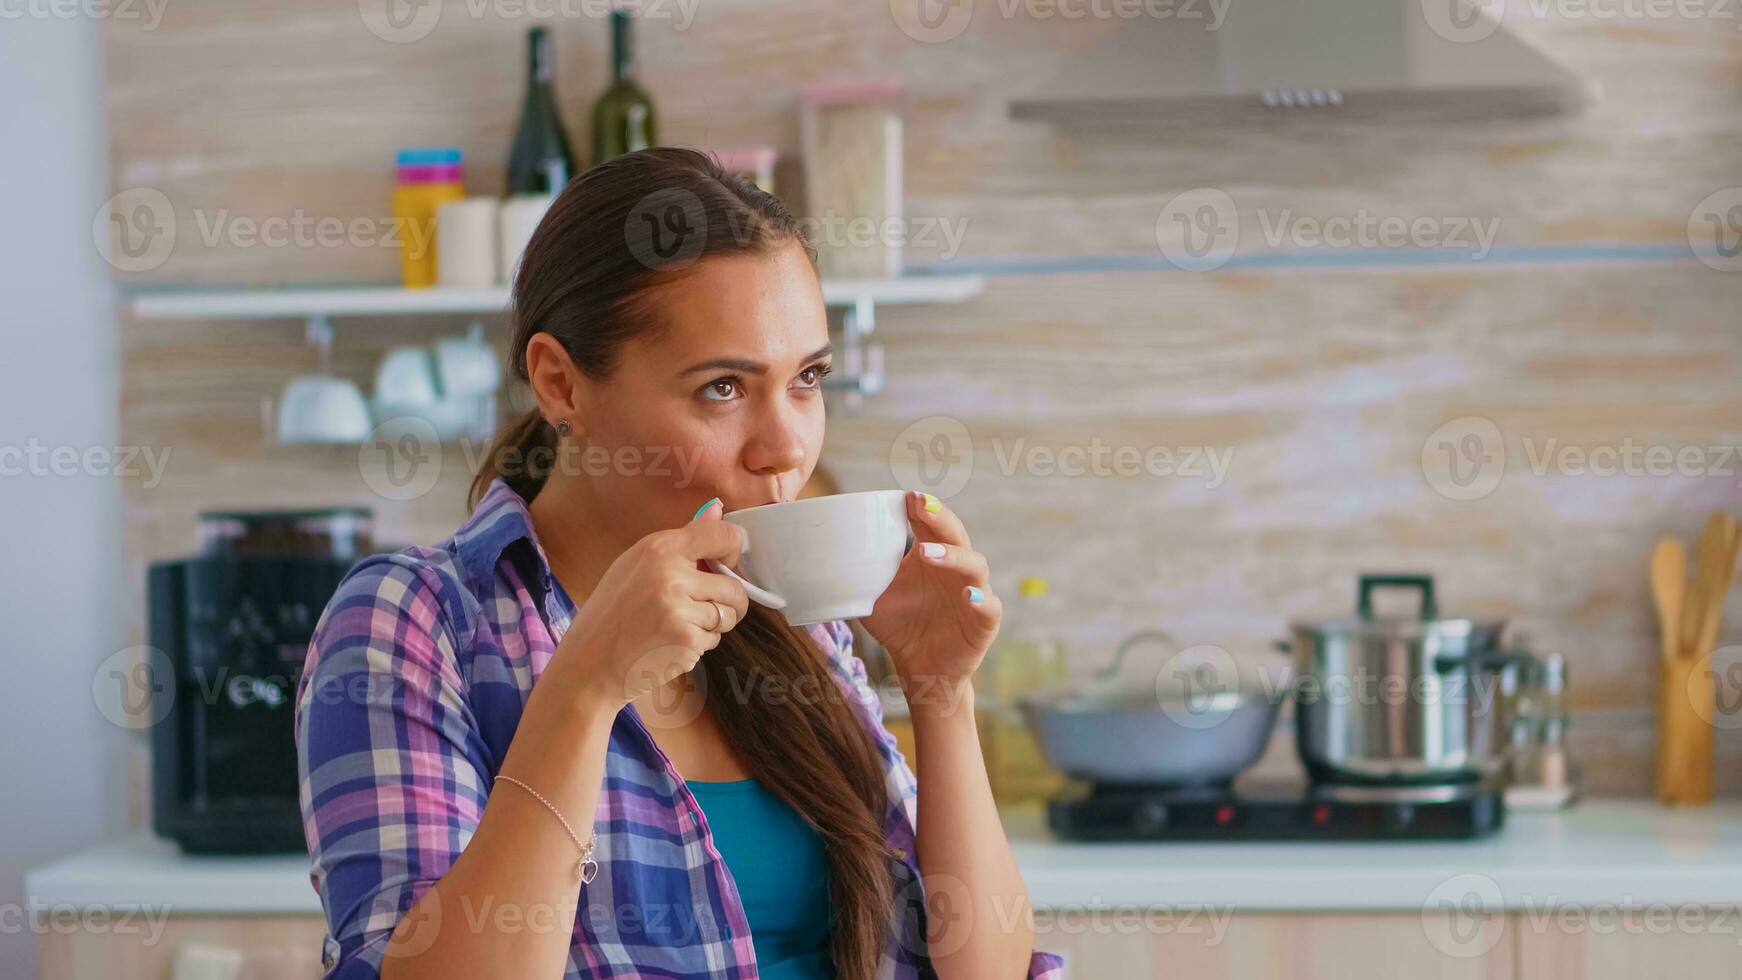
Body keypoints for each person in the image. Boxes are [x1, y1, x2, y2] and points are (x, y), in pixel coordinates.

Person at [294, 147, 1066, 980]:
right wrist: (585, 689)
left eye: (807, 378)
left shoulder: (789, 615)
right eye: (723, 389)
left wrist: (941, 691)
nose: (785, 449)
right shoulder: (417, 622)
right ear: (560, 385)